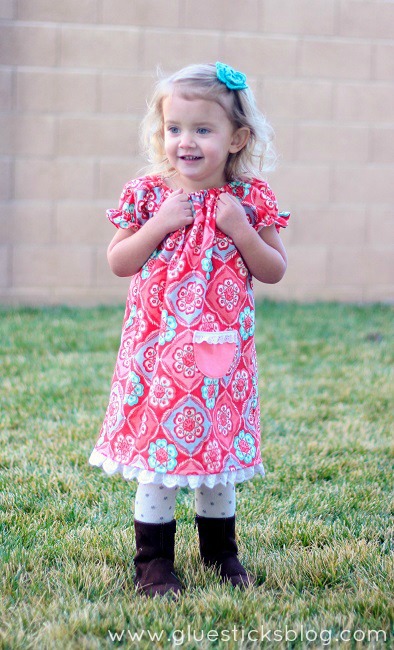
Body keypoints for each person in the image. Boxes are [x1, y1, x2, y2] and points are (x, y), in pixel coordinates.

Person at [89, 62, 290, 597]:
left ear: (236, 138)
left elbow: (273, 268)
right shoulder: (149, 194)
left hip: (220, 359)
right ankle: (153, 562)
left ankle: (221, 553)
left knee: (216, 457)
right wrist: (159, 225)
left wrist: (240, 228)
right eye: (175, 128)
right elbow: (119, 261)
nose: (187, 142)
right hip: (157, 357)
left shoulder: (249, 199)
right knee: (159, 455)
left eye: (203, 129)